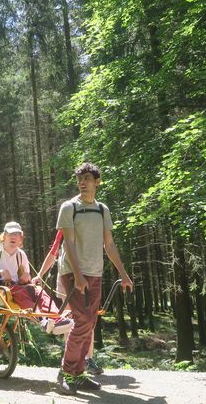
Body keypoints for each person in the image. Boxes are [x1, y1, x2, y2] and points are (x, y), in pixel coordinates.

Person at [56, 163, 133, 394]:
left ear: (97, 182)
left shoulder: (102, 210)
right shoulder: (69, 207)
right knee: (81, 322)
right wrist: (78, 276)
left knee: (90, 323)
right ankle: (66, 373)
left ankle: (78, 374)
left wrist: (124, 274)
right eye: (80, 178)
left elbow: (108, 244)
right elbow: (68, 243)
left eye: (87, 178)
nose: (82, 182)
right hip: (73, 271)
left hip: (95, 273)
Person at [0, 221, 73, 335]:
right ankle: (42, 320)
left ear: (20, 238)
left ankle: (56, 318)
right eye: (10, 234)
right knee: (21, 291)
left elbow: (28, 279)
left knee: (38, 291)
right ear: (4, 236)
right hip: (0, 289)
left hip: (17, 286)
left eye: (16, 234)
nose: (13, 237)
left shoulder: (21, 254)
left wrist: (26, 278)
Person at [33, 230, 103, 375]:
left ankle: (87, 359)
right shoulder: (65, 228)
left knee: (89, 319)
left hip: (88, 276)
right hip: (67, 277)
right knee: (72, 320)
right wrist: (40, 275)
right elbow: (53, 254)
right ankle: (70, 363)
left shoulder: (89, 225)